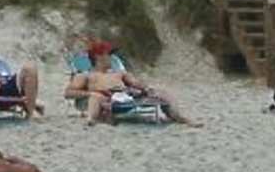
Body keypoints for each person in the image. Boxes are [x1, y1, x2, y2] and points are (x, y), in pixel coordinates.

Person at [65, 40, 201, 126]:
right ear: (98, 57)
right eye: (108, 54)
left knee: (163, 93)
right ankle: (91, 120)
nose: (111, 57)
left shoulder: (119, 73)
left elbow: (136, 83)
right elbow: (68, 93)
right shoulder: (85, 75)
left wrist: (147, 88)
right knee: (96, 97)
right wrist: (90, 93)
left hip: (126, 96)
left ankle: (180, 118)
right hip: (105, 98)